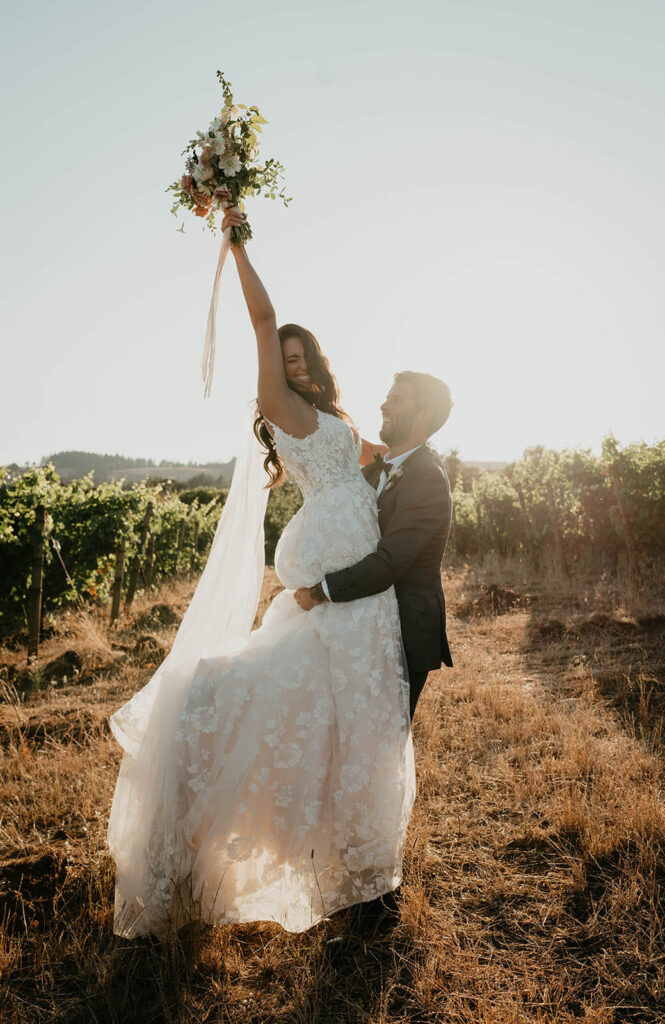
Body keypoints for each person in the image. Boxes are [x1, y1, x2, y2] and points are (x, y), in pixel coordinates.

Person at [106, 203, 417, 940]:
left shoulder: (333, 419)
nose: (293, 358)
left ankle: (360, 865)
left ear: (319, 360)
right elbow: (263, 319)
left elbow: (380, 457)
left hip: (363, 576)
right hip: (333, 565)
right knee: (295, 697)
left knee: (358, 711)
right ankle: (208, 789)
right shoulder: (281, 406)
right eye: (285, 354)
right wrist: (237, 243)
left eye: (302, 351)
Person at [292, 371, 454, 930]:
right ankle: (352, 876)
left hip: (405, 631)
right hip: (365, 631)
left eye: (397, 398)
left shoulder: (429, 481)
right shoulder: (376, 470)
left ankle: (380, 896)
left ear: (425, 416)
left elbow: (390, 560)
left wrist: (322, 591)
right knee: (351, 747)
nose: (384, 402)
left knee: (381, 755)